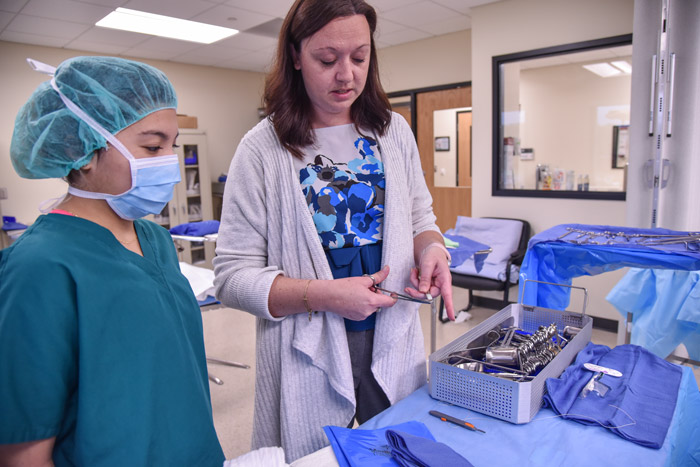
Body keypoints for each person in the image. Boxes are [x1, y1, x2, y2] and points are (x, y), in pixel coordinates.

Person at [213, 0, 455, 461]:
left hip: (392, 335)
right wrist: (324, 295)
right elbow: (231, 278)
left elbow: (421, 218)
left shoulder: (393, 132)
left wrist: (433, 250)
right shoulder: (262, 149)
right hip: (308, 345)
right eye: (328, 59)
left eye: (360, 57)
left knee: (403, 451)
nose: (346, 74)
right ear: (296, 55)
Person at [0, 56, 225, 466]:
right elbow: (24, 450)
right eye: (153, 146)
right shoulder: (38, 266)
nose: (167, 162)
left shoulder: (155, 239)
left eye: (171, 147)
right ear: (83, 149)